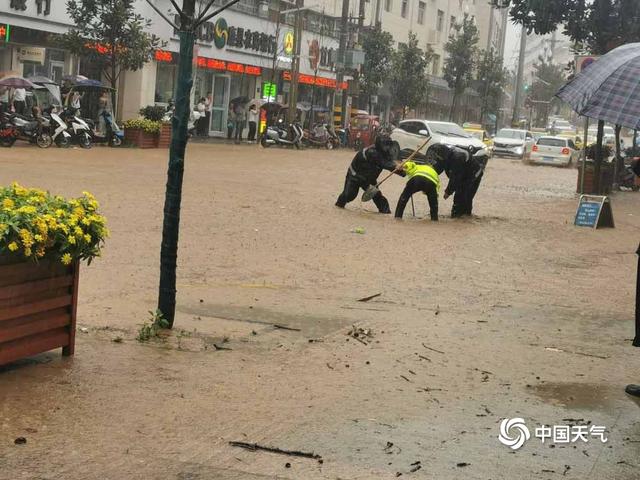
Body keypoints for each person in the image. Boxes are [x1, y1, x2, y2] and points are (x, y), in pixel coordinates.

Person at [335, 134, 402, 213]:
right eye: (386, 146)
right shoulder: (372, 152)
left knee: (377, 196)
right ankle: (338, 207)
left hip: (369, 178)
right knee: (348, 195)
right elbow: (386, 164)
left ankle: (386, 213)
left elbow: (392, 163)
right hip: (355, 176)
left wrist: (405, 171)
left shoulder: (385, 153)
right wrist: (397, 167)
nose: (388, 148)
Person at [430, 143, 487, 218]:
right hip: (463, 173)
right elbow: (438, 168)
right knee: (461, 194)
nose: (436, 158)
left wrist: (448, 192)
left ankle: (461, 218)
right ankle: (459, 216)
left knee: (463, 196)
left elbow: (455, 178)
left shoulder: (457, 157)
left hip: (474, 174)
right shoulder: (445, 156)